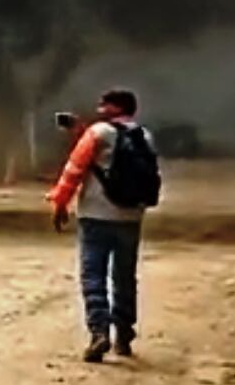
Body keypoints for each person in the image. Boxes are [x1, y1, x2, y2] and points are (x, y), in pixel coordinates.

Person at [48, 88, 161, 363]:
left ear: (115, 107)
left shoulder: (97, 133)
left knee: (93, 276)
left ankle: (99, 331)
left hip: (96, 215)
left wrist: (60, 202)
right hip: (131, 217)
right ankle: (124, 335)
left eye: (104, 103)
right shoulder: (144, 136)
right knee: (124, 277)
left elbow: (75, 169)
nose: (99, 106)